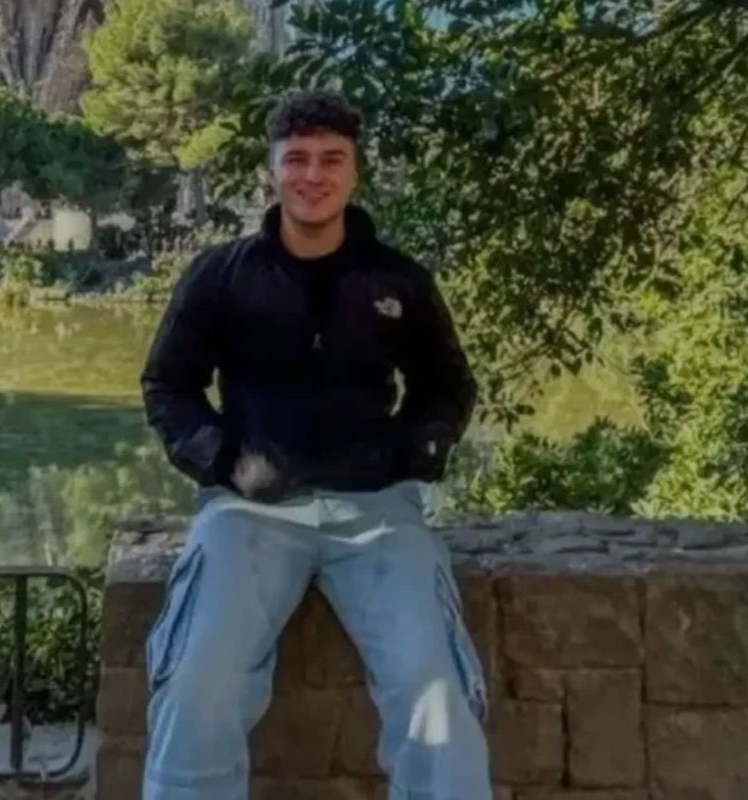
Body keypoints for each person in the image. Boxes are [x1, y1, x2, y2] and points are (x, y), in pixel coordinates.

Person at [139, 89, 491, 800]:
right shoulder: (221, 275)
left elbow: (447, 384)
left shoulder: (398, 280)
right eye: (296, 158)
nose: (313, 175)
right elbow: (167, 385)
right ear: (271, 168)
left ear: (355, 171)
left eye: (332, 159)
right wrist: (221, 459)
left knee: (438, 696)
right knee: (198, 686)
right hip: (247, 516)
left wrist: (421, 448)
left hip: (379, 516)